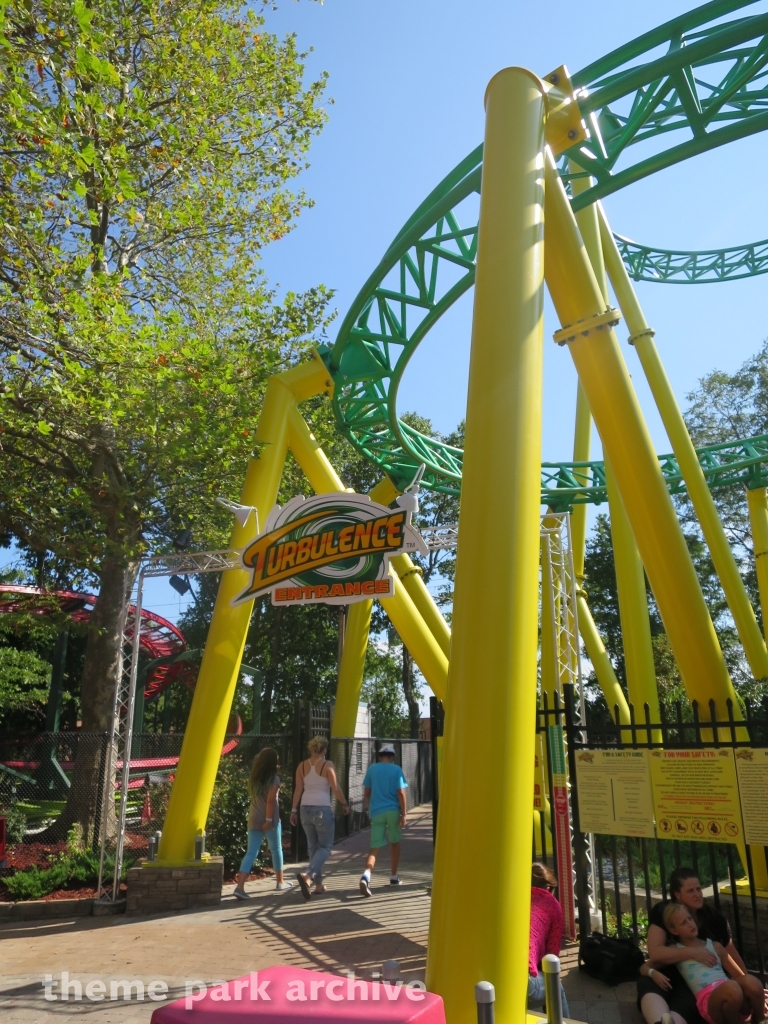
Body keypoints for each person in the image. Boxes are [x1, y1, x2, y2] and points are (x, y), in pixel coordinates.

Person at [637, 867, 748, 1024]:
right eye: (690, 891)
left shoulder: (715, 918)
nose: (697, 894)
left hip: (700, 982)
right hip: (668, 974)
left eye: (698, 889)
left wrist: (748, 985)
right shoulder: (663, 912)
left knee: (688, 1003)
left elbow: (731, 955)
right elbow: (655, 953)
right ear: (677, 894)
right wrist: (693, 953)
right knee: (647, 984)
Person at [662, 903, 765, 1024]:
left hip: (733, 997)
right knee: (732, 988)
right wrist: (652, 973)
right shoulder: (676, 950)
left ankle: (760, 1020)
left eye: (690, 918)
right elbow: (648, 964)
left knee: (752, 982)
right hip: (710, 1002)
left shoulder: (715, 946)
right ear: (674, 930)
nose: (690, 924)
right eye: (683, 923)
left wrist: (756, 995)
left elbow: (739, 975)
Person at [290, 736, 350, 900]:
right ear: (324, 750)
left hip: (304, 808)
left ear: (311, 749)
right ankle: (308, 875)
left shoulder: (301, 766)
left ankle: (318, 884)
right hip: (322, 808)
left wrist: (293, 810)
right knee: (325, 848)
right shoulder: (327, 764)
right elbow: (335, 787)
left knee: (313, 848)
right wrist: (345, 804)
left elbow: (297, 790)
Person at [233, 747, 292, 900]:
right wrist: (268, 820)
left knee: (251, 853)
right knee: (276, 849)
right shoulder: (274, 779)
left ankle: (240, 887)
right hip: (269, 820)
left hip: (253, 818)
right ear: (273, 763)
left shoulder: (254, 778)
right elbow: (271, 801)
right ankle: (280, 882)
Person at [359, 743, 408, 896]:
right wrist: (404, 814)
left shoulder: (372, 769)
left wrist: (370, 808)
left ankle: (366, 875)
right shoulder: (397, 769)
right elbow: (400, 792)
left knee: (375, 847)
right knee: (394, 843)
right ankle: (393, 877)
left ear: (379, 757)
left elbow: (367, 793)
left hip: (377, 812)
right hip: (393, 811)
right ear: (392, 757)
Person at [527, 862, 570, 1017]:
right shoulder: (551, 903)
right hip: (525, 985)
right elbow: (551, 958)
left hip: (491, 982)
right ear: (548, 888)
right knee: (554, 985)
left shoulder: (516, 898)